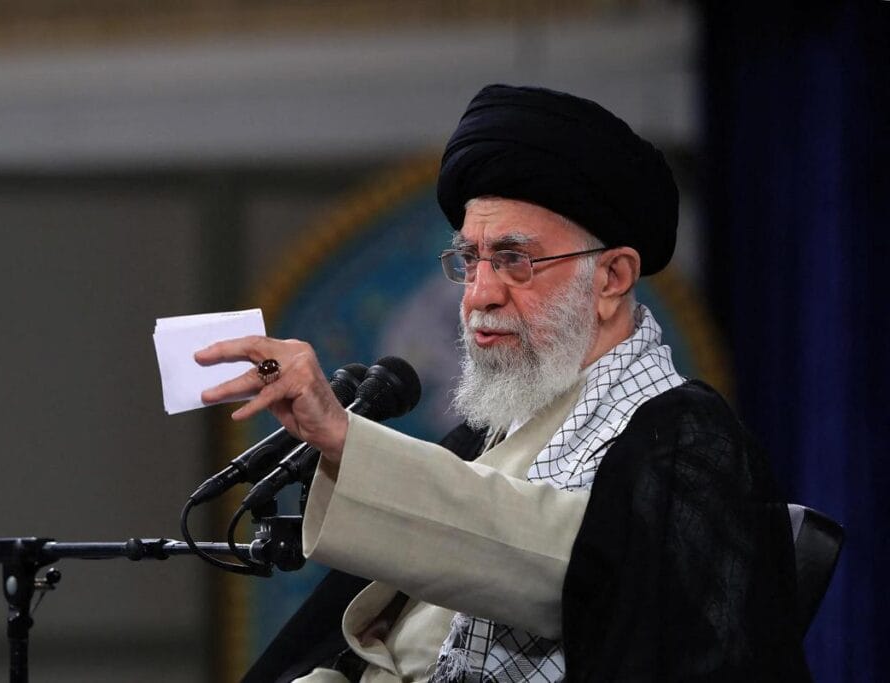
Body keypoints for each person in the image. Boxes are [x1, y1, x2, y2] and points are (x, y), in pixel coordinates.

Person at [196, 85, 809, 682]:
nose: (479, 294)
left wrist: (343, 437)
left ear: (612, 278)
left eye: (515, 259)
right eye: (470, 260)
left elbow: (577, 567)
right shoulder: (483, 436)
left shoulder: (685, 440)